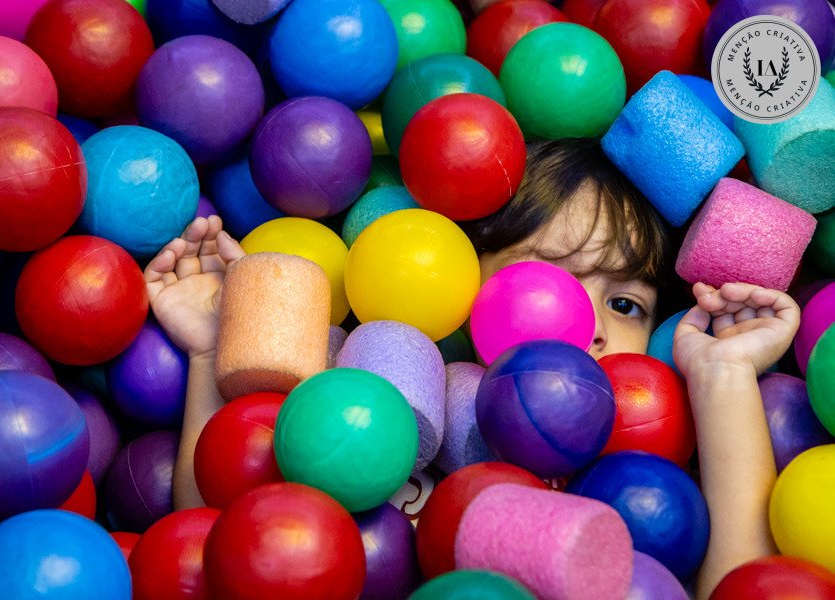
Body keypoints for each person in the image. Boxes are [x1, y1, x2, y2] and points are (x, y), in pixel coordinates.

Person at [145, 138, 800, 600]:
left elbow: (741, 586)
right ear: (459, 291)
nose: (587, 322)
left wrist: (723, 379)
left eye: (625, 303)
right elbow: (223, 543)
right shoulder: (367, 401)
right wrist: (213, 353)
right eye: (543, 280)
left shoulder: (638, 471)